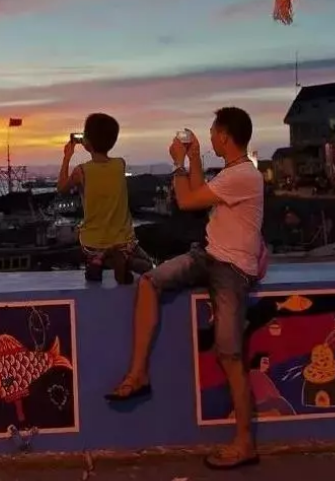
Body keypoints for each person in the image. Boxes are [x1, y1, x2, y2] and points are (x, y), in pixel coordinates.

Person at [105, 107, 264, 471]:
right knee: (150, 282)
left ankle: (245, 443)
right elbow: (198, 194)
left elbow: (186, 200)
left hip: (231, 270)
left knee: (230, 355)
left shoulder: (243, 175)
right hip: (208, 255)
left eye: (213, 132)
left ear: (225, 136)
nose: (209, 137)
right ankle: (138, 374)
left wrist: (178, 163)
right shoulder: (233, 173)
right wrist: (192, 160)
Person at [57, 113, 139, 284]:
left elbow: (61, 188)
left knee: (94, 248)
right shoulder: (120, 164)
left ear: (87, 141)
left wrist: (67, 156)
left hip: (92, 243)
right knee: (141, 258)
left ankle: (96, 260)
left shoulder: (81, 171)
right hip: (123, 241)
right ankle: (120, 257)